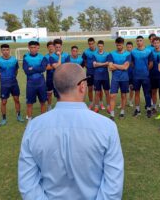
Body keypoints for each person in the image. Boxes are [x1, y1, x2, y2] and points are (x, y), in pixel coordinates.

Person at [18, 63, 124, 199]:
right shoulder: (107, 127)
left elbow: (28, 184)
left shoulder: (34, 127)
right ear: (82, 86)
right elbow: (113, 185)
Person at [0, 44, 22, 125]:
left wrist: (12, 78)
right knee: (3, 101)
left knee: (16, 99)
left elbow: (16, 71)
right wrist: (3, 79)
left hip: (14, 83)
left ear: (9, 50)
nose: (5, 51)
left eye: (7, 50)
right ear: (1, 51)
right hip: (4, 85)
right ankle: (3, 118)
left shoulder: (14, 60)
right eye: (3, 50)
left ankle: (19, 115)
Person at [23, 41, 48, 121]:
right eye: (31, 47)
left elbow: (43, 69)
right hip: (31, 85)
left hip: (41, 84)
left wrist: (32, 68)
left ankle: (43, 120)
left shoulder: (42, 57)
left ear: (37, 48)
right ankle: (29, 120)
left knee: (43, 102)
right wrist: (37, 69)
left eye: (34, 47)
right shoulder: (26, 57)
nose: (33, 49)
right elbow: (26, 71)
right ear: (29, 47)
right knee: (29, 103)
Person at [108, 37, 131, 120]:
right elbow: (110, 67)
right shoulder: (111, 54)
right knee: (112, 96)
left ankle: (122, 112)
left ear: (123, 44)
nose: (118, 47)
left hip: (124, 78)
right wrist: (121, 66)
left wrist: (115, 65)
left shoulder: (128, 54)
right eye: (117, 45)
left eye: (120, 45)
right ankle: (112, 114)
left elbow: (125, 67)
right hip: (115, 78)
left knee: (123, 95)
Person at [131, 36, 153, 118]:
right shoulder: (133, 52)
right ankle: (137, 109)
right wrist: (136, 69)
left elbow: (151, 63)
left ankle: (148, 109)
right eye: (137, 41)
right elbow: (132, 63)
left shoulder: (148, 51)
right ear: (136, 42)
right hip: (136, 76)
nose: (139, 42)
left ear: (143, 41)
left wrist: (146, 70)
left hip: (145, 76)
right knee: (136, 93)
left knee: (147, 93)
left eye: (140, 40)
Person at [92, 40, 110, 112]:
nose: (100, 47)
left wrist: (98, 64)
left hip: (105, 76)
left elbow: (108, 63)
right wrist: (104, 63)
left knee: (107, 92)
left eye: (101, 46)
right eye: (99, 46)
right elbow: (94, 65)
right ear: (97, 46)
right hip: (97, 76)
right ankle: (96, 107)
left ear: (103, 46)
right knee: (97, 92)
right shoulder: (94, 54)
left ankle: (108, 107)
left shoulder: (107, 54)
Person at [82, 37, 98, 108]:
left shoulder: (98, 51)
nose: (91, 45)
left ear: (94, 43)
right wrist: (87, 66)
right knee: (90, 88)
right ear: (88, 44)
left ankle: (100, 103)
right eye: (89, 44)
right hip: (89, 73)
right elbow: (83, 61)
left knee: (98, 89)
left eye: (92, 44)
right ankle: (91, 103)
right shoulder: (85, 52)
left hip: (98, 73)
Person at [150, 37, 160, 115]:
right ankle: (154, 108)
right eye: (154, 43)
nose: (156, 44)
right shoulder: (151, 52)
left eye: (157, 43)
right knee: (153, 92)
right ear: (152, 44)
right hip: (153, 75)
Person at [44, 41, 55, 110]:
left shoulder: (57, 55)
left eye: (52, 46)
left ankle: (59, 106)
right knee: (49, 93)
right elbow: (46, 67)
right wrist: (55, 65)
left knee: (59, 92)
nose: (51, 48)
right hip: (49, 77)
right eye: (49, 47)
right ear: (47, 48)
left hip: (58, 76)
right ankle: (49, 106)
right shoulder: (45, 57)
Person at [126, 41, 135, 107]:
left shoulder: (134, 55)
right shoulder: (124, 54)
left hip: (132, 74)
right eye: (128, 47)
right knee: (124, 89)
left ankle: (130, 101)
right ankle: (123, 102)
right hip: (125, 74)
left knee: (132, 88)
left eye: (130, 47)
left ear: (132, 47)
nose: (129, 48)